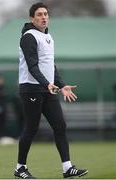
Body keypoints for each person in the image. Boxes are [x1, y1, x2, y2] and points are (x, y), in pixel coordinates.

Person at [14, 2, 88, 179]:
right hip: (31, 89)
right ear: (32, 18)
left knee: (60, 125)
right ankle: (20, 168)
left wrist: (61, 85)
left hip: (48, 89)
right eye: (39, 14)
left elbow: (50, 66)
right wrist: (46, 83)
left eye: (46, 14)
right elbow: (32, 66)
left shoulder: (48, 36)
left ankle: (67, 168)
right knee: (31, 128)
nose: (44, 17)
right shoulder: (29, 37)